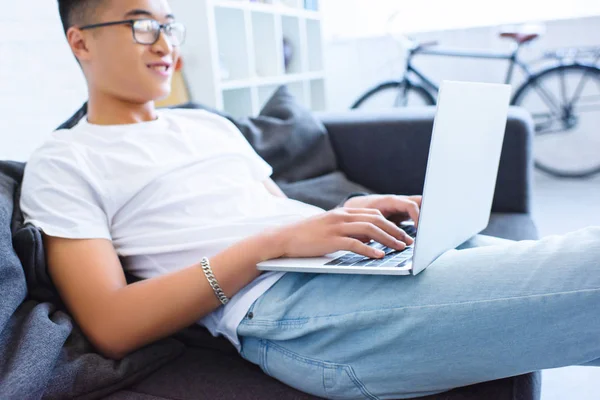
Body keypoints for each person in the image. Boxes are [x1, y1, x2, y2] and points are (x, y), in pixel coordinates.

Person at [20, 1, 600, 399]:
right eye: (143, 25)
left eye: (172, 25)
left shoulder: (207, 125)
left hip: (351, 268)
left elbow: (272, 213)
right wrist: (276, 244)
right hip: (294, 317)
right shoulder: (66, 159)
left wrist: (350, 217)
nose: (166, 43)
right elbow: (112, 324)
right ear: (81, 42)